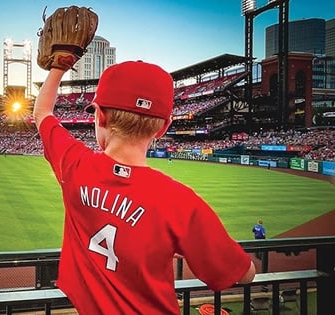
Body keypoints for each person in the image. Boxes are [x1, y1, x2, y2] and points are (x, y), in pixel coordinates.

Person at [33, 60, 255, 314]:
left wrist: (60, 67)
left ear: (101, 116)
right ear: (163, 127)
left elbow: (42, 113)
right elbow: (244, 274)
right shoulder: (180, 201)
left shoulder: (76, 166)